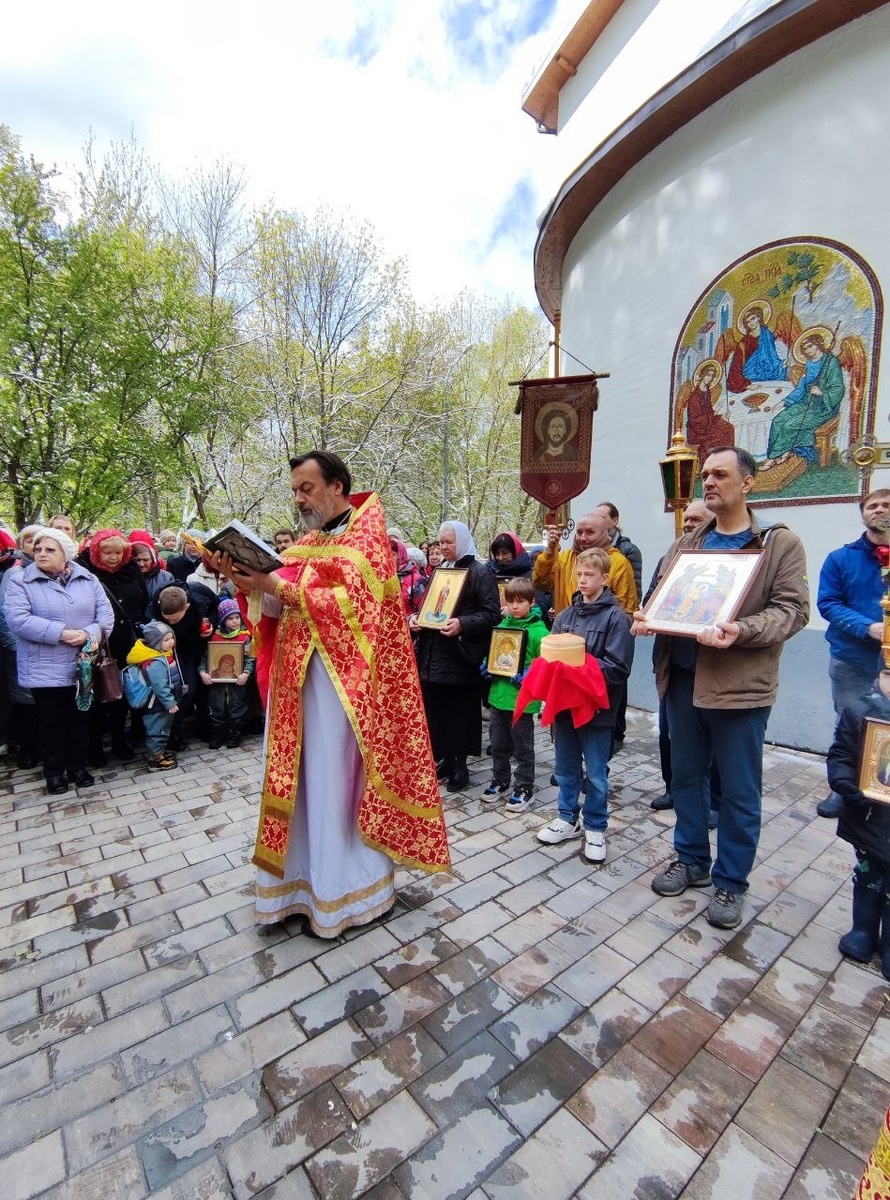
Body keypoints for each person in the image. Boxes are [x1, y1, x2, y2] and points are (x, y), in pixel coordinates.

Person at [215, 449, 450, 937]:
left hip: (344, 695)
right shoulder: (306, 545)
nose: (299, 498)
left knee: (330, 784)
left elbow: (355, 610)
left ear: (337, 486)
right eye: (295, 490)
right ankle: (296, 887)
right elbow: (275, 611)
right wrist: (245, 580)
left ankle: (342, 895)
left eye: (307, 488)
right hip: (296, 689)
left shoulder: (368, 543)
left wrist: (279, 586)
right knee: (300, 785)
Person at [634, 446, 808, 929]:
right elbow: (660, 599)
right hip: (683, 679)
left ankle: (731, 881)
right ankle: (691, 859)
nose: (707, 482)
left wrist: (741, 630)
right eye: (705, 475)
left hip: (739, 687)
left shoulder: (777, 544)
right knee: (686, 777)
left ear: (748, 483)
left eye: (720, 474)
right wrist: (647, 618)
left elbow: (793, 611)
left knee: (737, 789)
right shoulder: (687, 544)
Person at [537, 547, 634, 862]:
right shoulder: (565, 616)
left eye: (589, 575)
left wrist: (578, 670)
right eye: (579, 574)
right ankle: (567, 817)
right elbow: (549, 659)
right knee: (565, 768)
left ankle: (595, 825)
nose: (582, 580)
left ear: (605, 578)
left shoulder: (616, 618)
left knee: (595, 773)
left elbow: (618, 667)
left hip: (597, 711)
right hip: (565, 710)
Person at [5, 527, 114, 794]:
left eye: (50, 549)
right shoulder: (21, 581)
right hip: (44, 665)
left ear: (65, 554)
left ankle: (78, 766)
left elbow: (106, 615)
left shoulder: (87, 578)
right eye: (38, 548)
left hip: (82, 662)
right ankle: (54, 772)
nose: (41, 553)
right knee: (50, 720)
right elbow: (18, 620)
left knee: (79, 717)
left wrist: (88, 634)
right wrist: (62, 634)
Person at [411, 520, 502, 792]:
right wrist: (417, 618)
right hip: (434, 654)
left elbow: (491, 614)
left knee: (458, 714)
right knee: (437, 711)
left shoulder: (479, 572)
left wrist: (463, 623)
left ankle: (460, 766)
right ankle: (447, 760)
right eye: (441, 542)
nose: (444, 547)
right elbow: (429, 606)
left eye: (449, 542)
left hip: (459, 656)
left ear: (461, 541)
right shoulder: (441, 570)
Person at [815, 488, 890, 818]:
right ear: (863, 514)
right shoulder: (841, 559)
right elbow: (828, 603)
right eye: (872, 505)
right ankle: (844, 790)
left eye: (887, 505)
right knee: (850, 725)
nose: (879, 510)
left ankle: (881, 786)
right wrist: (868, 627)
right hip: (853, 658)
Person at [646, 498, 710, 813]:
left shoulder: (724, 562)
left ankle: (715, 800)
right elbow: (650, 602)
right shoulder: (668, 559)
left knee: (711, 739)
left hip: (713, 665)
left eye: (696, 520)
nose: (687, 525)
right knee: (670, 732)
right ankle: (673, 789)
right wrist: (646, 616)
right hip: (673, 663)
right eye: (686, 520)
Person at [826, 666, 890, 977]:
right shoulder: (859, 712)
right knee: (867, 879)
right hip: (869, 819)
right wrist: (846, 784)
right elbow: (840, 754)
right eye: (889, 675)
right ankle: (863, 932)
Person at [77, 529, 147, 764]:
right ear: (97, 551)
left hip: (127, 642)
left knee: (122, 693)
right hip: (96, 641)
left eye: (118, 552)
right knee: (96, 694)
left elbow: (143, 600)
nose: (113, 557)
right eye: (107, 552)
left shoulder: (131, 570)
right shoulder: (85, 571)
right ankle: (93, 745)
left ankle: (119, 740)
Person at [480, 577, 549, 813]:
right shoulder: (503, 626)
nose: (514, 606)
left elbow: (546, 664)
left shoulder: (539, 632)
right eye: (510, 601)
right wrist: (487, 664)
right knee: (498, 744)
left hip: (522, 701)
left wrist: (529, 674)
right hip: (498, 697)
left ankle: (524, 786)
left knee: (523, 747)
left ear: (532, 602)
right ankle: (500, 780)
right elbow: (495, 652)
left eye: (520, 602)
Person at [762, 330, 844, 470]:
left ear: (818, 344)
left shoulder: (830, 361)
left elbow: (838, 387)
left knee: (790, 425)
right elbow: (800, 388)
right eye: (805, 348)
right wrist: (784, 402)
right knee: (778, 420)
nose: (808, 350)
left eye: (810, 346)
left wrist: (822, 392)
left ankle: (774, 457)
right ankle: (780, 452)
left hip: (823, 406)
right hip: (805, 401)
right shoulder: (809, 364)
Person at [533, 510, 638, 618]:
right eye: (579, 532)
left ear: (603, 533)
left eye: (590, 532)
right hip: (565, 629)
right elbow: (540, 583)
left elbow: (626, 610)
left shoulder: (618, 563)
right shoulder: (564, 558)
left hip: (599, 632)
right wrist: (549, 552)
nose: (583, 538)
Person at [152, 582, 219, 748]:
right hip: (177, 650)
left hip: (201, 645)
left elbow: (218, 606)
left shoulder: (199, 593)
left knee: (204, 688)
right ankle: (175, 731)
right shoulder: (157, 600)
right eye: (168, 619)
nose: (172, 622)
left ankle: (202, 725)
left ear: (187, 606)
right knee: (185, 688)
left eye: (175, 618)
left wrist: (211, 623)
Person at [125, 620, 183, 770]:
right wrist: (170, 703)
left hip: (160, 702)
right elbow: (160, 687)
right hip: (157, 703)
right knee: (158, 730)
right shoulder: (156, 662)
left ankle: (159, 753)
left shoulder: (162, 655)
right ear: (155, 643)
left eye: (172, 638)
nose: (171, 642)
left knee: (162, 728)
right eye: (166, 640)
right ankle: (155, 760)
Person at [199, 597, 254, 748]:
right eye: (230, 618)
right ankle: (217, 735)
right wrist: (203, 671)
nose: (235, 621)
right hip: (217, 683)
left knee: (237, 707)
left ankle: (233, 736)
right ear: (223, 620)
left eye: (237, 617)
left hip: (237, 681)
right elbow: (205, 657)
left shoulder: (245, 637)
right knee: (216, 708)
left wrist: (246, 673)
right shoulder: (215, 636)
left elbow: (251, 658)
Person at [683, 360, 736, 466]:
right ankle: (709, 462)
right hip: (697, 430)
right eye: (708, 375)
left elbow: (709, 412)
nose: (710, 378)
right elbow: (695, 421)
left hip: (707, 423)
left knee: (729, 427)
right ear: (702, 375)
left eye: (712, 376)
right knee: (719, 435)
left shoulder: (706, 391)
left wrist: (721, 416)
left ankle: (728, 459)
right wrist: (712, 415)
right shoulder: (695, 397)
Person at [726, 302, 786, 393]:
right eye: (748, 321)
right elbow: (735, 368)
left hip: (769, 373)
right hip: (751, 378)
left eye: (753, 318)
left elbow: (772, 358)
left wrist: (782, 364)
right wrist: (747, 386)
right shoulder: (743, 343)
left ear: (758, 317)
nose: (751, 323)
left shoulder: (767, 335)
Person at [595, 502, 643, 601]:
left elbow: (634, 592)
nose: (597, 522)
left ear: (615, 521)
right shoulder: (590, 549)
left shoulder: (629, 550)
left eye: (602, 518)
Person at [129, 532, 175, 610]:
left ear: (153, 559)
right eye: (137, 560)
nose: (141, 564)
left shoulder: (166, 578)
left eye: (146, 560)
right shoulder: (123, 578)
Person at [389, 536, 427, 619]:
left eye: (393, 555)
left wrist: (411, 619)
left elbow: (424, 610)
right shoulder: (384, 578)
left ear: (401, 555)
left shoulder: (417, 579)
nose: (389, 559)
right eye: (386, 555)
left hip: (411, 628)